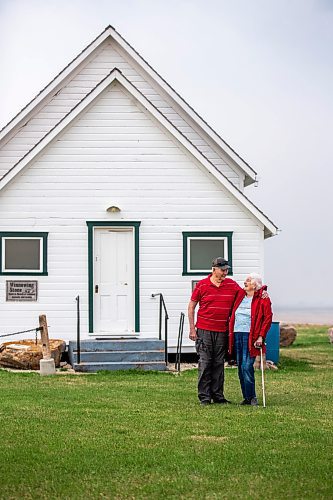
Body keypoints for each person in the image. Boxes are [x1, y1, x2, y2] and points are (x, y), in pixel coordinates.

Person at [188, 257, 243, 405]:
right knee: (205, 363)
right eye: (223, 270)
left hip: (222, 331)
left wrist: (261, 293)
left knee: (219, 363)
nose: (226, 272)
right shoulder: (202, 285)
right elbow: (191, 307)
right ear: (214, 269)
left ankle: (218, 396)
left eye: (227, 270)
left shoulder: (232, 285)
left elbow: (246, 294)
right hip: (204, 331)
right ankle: (204, 397)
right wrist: (192, 329)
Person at [228, 273, 273, 406]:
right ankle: (246, 398)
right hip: (237, 335)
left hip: (251, 336)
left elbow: (267, 318)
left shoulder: (263, 299)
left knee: (247, 366)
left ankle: (252, 397)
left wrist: (261, 336)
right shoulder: (239, 295)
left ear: (255, 284)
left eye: (248, 281)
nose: (245, 282)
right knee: (241, 367)